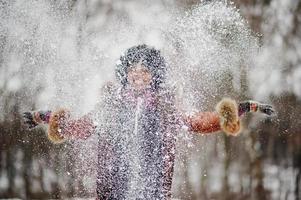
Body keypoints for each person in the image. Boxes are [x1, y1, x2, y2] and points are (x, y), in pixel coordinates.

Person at [23, 44, 274, 199]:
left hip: (153, 190)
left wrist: (241, 108)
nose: (138, 75)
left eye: (144, 71)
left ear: (154, 75)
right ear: (126, 74)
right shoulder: (111, 105)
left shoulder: (166, 107)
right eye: (133, 70)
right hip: (113, 190)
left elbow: (199, 122)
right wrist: (45, 117)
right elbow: (80, 128)